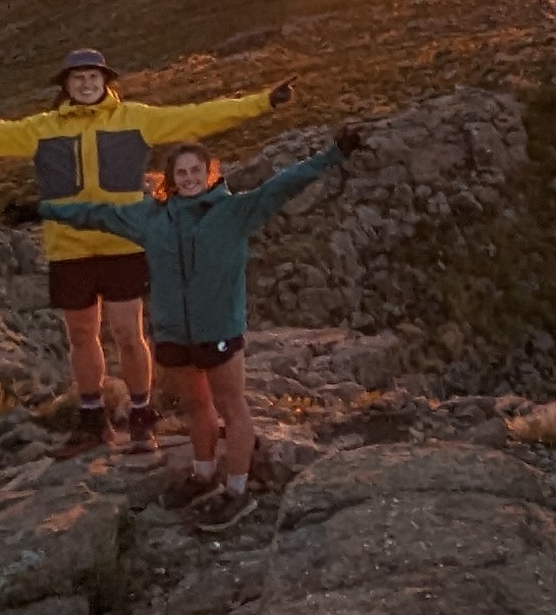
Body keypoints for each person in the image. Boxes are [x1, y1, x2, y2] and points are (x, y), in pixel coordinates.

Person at [0, 49, 288, 454]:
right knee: (82, 335)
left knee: (128, 333)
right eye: (78, 78)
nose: (86, 84)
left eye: (93, 77)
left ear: (105, 82)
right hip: (68, 248)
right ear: (66, 86)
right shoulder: (41, 128)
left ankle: (141, 413)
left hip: (123, 243)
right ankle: (92, 418)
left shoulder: (137, 119)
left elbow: (201, 115)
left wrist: (263, 102)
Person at [42, 129, 359, 518]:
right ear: (170, 179)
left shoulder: (234, 211)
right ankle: (203, 473)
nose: (189, 178)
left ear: (210, 174)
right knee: (195, 405)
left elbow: (284, 185)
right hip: (174, 334)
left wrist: (333, 155)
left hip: (219, 330)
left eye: (196, 171)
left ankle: (237, 489)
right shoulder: (150, 217)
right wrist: (43, 210)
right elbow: (96, 215)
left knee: (232, 406)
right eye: (181, 172)